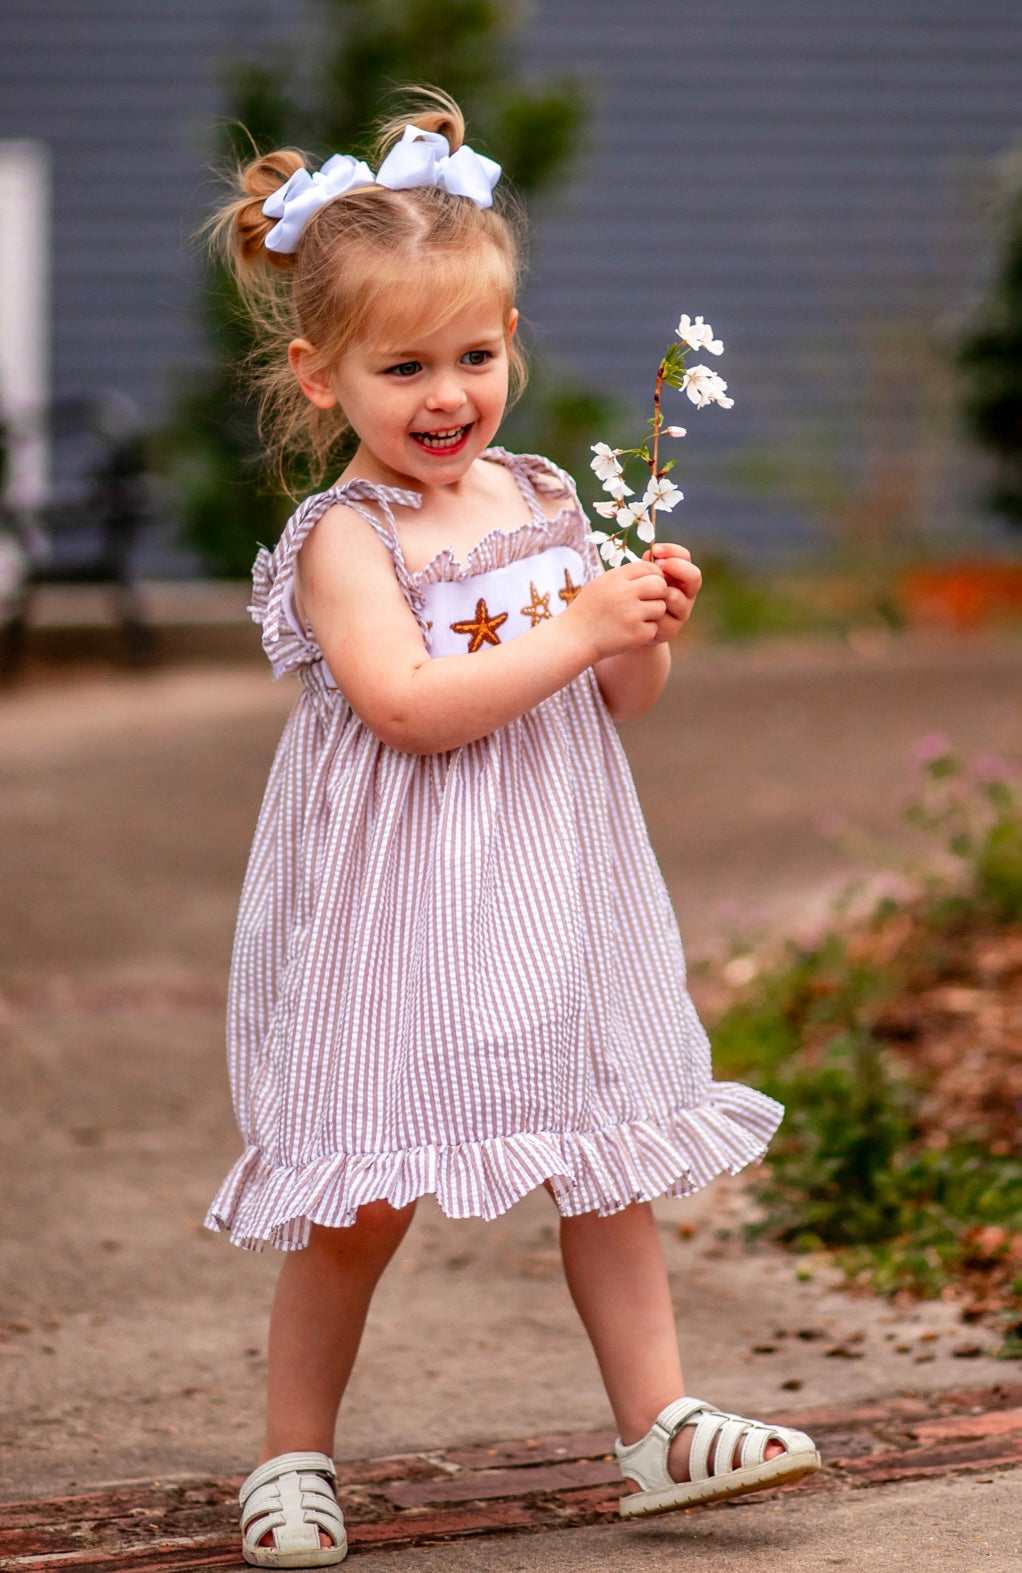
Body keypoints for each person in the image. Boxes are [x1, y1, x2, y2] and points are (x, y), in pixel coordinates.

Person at [204, 89, 821, 1569]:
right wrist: (577, 624)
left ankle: (658, 1422)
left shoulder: (541, 493)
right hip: (398, 904)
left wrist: (637, 626)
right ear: (318, 372)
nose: (446, 394)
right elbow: (411, 706)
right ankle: (292, 1457)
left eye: (473, 356)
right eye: (401, 364)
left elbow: (614, 699)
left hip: (551, 885)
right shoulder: (345, 539)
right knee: (359, 1196)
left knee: (607, 1167)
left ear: (511, 342)